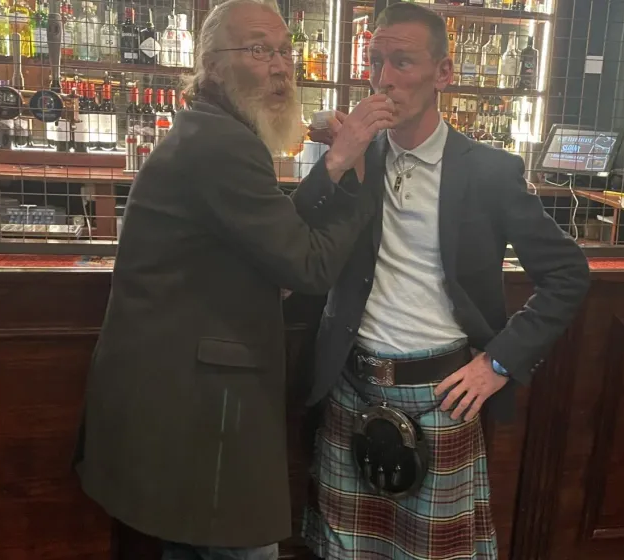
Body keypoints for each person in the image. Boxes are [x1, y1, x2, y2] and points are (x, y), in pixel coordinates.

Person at [71, 0, 398, 559]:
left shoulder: (212, 130)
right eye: (258, 50)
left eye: (284, 52)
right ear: (213, 65)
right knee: (244, 549)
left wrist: (333, 166)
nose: (280, 66)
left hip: (170, 394)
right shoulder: (222, 144)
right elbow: (307, 265)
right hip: (196, 400)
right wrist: (360, 183)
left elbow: (271, 232)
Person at [296, 3, 591, 559]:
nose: (383, 78)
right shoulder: (358, 157)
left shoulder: (490, 172)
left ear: (444, 73)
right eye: (375, 62)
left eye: (402, 62)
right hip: (350, 385)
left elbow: (568, 275)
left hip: (442, 395)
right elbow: (295, 239)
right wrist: (335, 160)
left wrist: (497, 363)